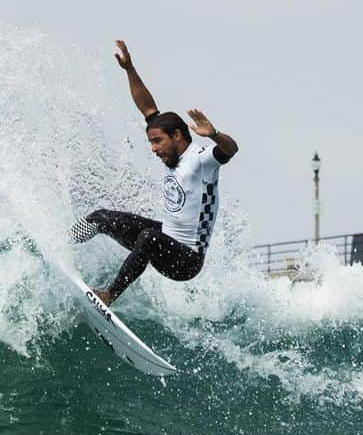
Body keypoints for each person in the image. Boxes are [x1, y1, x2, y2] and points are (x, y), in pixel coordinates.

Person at [70, 39, 239, 305]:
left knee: (148, 237)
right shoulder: (172, 149)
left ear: (177, 136)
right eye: (151, 142)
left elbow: (231, 149)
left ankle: (109, 294)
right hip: (166, 237)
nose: (153, 148)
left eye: (157, 141)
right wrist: (129, 69)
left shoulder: (201, 160)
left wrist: (215, 134)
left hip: (186, 260)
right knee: (101, 217)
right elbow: (147, 107)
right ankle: (64, 244)